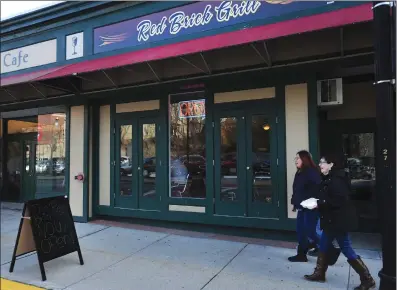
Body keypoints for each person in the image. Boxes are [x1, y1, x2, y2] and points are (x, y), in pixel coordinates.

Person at [304, 153, 376, 290]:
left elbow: (338, 201)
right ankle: (319, 273)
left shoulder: (337, 180)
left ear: (331, 164)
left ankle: (368, 280)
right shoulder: (329, 178)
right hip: (332, 221)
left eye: (322, 162)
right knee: (324, 244)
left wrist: (319, 203)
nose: (319, 165)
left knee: (346, 248)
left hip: (338, 221)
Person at [288, 150, 321, 262]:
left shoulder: (311, 172)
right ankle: (302, 255)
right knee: (301, 231)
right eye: (295, 158)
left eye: (298, 158)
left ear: (304, 159)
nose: (295, 160)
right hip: (302, 206)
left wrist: (315, 202)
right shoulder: (300, 172)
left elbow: (318, 189)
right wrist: (295, 203)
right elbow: (297, 190)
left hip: (310, 207)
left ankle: (328, 248)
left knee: (310, 231)